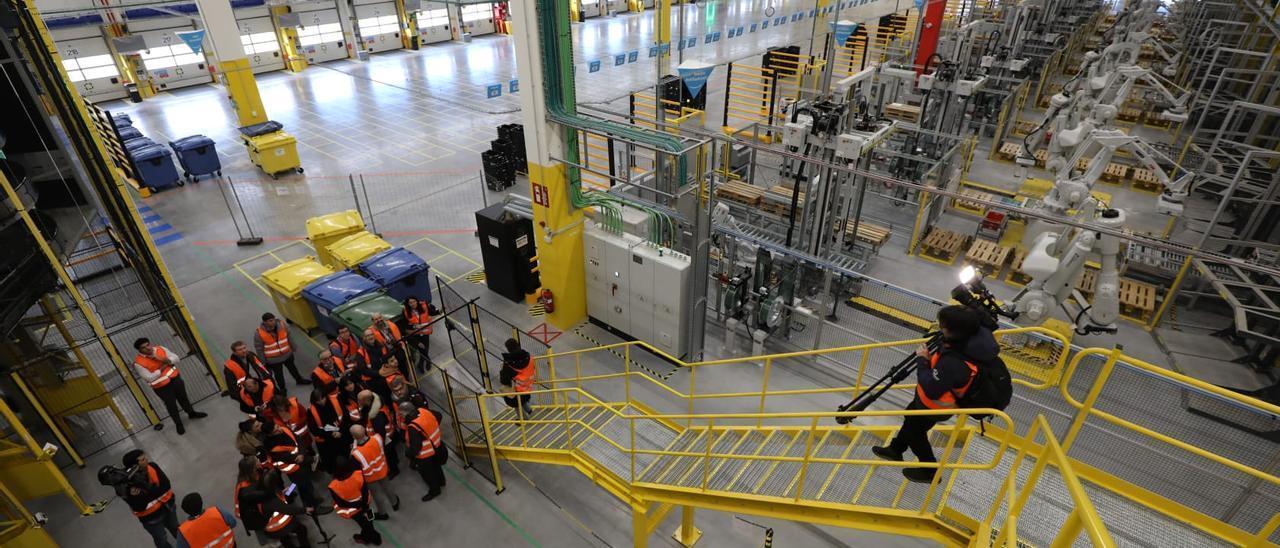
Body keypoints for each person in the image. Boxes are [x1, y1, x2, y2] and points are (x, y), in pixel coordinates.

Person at [872, 305, 999, 483]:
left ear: (952, 331)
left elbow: (932, 388)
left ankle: (930, 471)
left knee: (916, 434)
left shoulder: (954, 362)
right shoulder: (966, 340)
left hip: (934, 406)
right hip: (927, 401)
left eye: (942, 325)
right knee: (910, 419)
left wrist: (922, 360)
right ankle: (896, 449)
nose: (939, 327)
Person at [132, 338, 207, 435]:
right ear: (139, 350)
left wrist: (166, 360)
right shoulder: (139, 363)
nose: (148, 348)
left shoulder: (160, 349)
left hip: (175, 379)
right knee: (171, 405)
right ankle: (178, 423)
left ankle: (191, 413)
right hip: (161, 387)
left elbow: (176, 358)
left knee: (183, 398)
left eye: (148, 345)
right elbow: (149, 378)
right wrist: (162, 368)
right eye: (144, 347)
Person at [258, 417, 328, 515]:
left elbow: (298, 440)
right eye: (275, 431)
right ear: (270, 434)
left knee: (307, 485)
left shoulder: (284, 429)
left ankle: (312, 501)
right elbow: (289, 458)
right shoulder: (272, 446)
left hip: (301, 464)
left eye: (277, 427)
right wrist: (304, 457)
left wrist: (302, 453)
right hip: (294, 471)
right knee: (304, 489)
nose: (279, 430)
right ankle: (312, 508)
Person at [122, 450, 180, 548]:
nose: (147, 460)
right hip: (151, 518)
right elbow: (139, 507)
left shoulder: (152, 466)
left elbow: (166, 485)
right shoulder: (126, 485)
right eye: (143, 459)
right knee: (161, 539)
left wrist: (145, 495)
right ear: (134, 466)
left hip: (168, 508)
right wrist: (155, 491)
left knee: (176, 529)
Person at [399, 401, 447, 501]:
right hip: (436, 446)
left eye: (401, 413)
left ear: (407, 412)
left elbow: (416, 447)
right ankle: (441, 481)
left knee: (428, 474)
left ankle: (435, 490)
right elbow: (439, 416)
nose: (401, 416)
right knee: (437, 467)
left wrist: (408, 453)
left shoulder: (413, 427)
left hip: (425, 455)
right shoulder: (424, 411)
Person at [329, 456, 382, 545]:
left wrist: (357, 505)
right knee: (369, 518)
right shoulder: (358, 475)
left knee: (363, 523)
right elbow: (365, 491)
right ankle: (372, 535)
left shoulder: (333, 486)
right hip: (365, 504)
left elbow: (340, 503)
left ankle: (370, 538)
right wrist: (363, 503)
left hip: (353, 511)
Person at [349, 424, 398, 520]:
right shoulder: (378, 438)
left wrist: (353, 448)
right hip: (382, 469)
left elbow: (356, 469)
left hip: (370, 477)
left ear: (353, 437)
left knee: (377, 494)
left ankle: (382, 513)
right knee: (387, 487)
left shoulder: (356, 453)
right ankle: (395, 503)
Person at [254, 312, 310, 391]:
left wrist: (293, 347)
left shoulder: (282, 325)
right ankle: (282, 388)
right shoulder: (259, 333)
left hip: (287, 354)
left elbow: (288, 336)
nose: (273, 322)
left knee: (293, 368)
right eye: (270, 321)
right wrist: (263, 361)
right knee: (279, 375)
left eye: (273, 320)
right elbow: (259, 348)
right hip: (274, 359)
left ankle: (299, 380)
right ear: (264, 322)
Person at [258, 470, 312, 548]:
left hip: (270, 528)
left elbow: (278, 502)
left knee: (284, 538)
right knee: (301, 529)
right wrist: (305, 509)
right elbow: (289, 510)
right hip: (277, 527)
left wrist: (283, 493)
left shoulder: (262, 493)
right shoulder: (272, 500)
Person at [356, 390, 399, 478]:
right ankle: (396, 461)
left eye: (360, 400)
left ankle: (394, 469)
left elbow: (381, 433)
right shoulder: (375, 402)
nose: (358, 402)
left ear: (366, 401)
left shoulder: (377, 416)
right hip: (387, 435)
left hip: (385, 438)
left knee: (389, 454)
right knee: (392, 452)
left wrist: (379, 445)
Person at [233, 456, 272, 546]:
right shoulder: (246, 489)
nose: (259, 461)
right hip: (252, 514)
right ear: (252, 468)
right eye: (257, 461)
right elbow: (263, 494)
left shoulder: (253, 474)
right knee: (260, 529)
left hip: (255, 509)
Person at [309, 388, 347, 474]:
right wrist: (332, 434)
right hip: (326, 441)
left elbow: (345, 416)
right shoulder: (311, 411)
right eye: (318, 401)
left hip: (341, 434)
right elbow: (314, 429)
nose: (321, 402)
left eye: (323, 398)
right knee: (331, 460)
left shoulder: (336, 401)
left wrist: (341, 431)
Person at [498, 339, 535, 416]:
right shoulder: (529, 356)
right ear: (517, 345)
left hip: (518, 391)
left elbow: (504, 380)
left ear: (508, 349)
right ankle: (529, 410)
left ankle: (523, 419)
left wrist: (502, 371)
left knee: (514, 401)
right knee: (522, 399)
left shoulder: (509, 363)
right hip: (528, 387)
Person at [401, 297, 435, 373]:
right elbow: (405, 325)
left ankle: (422, 363)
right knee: (422, 350)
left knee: (425, 349)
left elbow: (431, 313)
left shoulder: (423, 307)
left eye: (414, 301)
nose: (413, 304)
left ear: (417, 301)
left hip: (425, 333)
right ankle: (427, 361)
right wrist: (414, 326)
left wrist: (439, 311)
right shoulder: (406, 312)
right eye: (410, 302)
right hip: (416, 335)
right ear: (408, 304)